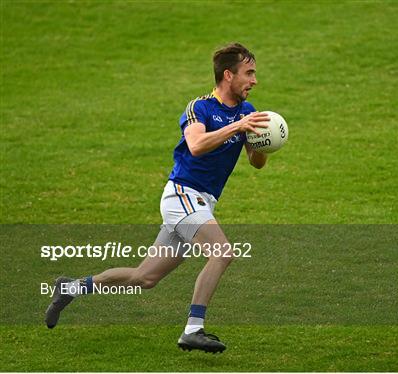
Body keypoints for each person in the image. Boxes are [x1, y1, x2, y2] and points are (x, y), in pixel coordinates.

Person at [45, 42, 270, 354]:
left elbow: (256, 162)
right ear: (228, 75)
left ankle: (70, 287)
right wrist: (238, 126)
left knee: (144, 277)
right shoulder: (200, 108)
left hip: (201, 201)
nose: (255, 80)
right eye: (250, 73)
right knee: (222, 252)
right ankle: (194, 329)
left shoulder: (248, 113)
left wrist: (264, 142)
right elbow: (196, 145)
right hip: (181, 195)